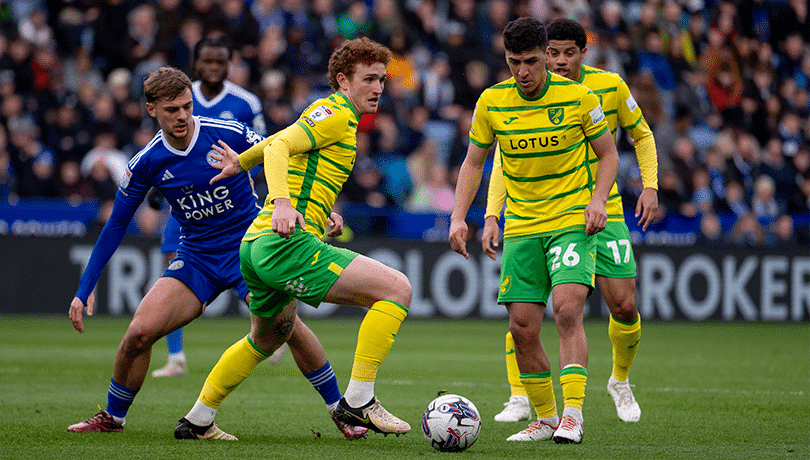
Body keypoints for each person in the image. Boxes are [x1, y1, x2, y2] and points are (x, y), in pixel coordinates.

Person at [66, 66, 367, 440]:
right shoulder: (147, 161)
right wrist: (84, 288)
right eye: (172, 109)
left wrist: (311, 210)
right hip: (197, 258)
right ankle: (113, 416)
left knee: (288, 329)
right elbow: (114, 226)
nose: (182, 116)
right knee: (138, 334)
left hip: (250, 249)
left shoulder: (226, 133)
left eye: (186, 106)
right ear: (151, 110)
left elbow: (284, 154)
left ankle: (341, 411)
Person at [174, 37, 413, 439]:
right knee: (397, 289)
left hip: (256, 245)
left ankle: (197, 419)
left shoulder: (331, 114)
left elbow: (281, 140)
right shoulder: (336, 114)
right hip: (283, 242)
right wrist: (283, 202)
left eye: (382, 80)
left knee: (265, 339)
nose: (377, 88)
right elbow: (283, 145)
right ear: (343, 80)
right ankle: (358, 400)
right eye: (369, 79)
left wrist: (241, 162)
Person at [448, 17, 619, 444]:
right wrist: (459, 216)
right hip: (522, 228)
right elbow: (474, 162)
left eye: (529, 61)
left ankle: (574, 415)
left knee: (566, 309)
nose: (521, 72)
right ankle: (545, 419)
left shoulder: (579, 97)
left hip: (569, 222)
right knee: (522, 327)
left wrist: (598, 200)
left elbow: (609, 154)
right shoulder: (491, 102)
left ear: (546, 55)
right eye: (512, 62)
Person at [485, 18, 658, 425]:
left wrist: (649, 185)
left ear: (584, 53)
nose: (560, 61)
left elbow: (642, 135)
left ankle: (620, 380)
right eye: (553, 53)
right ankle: (519, 397)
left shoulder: (609, 87)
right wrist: (493, 211)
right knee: (528, 310)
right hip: (545, 211)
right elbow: (501, 161)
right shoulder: (515, 96)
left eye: (568, 53)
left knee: (624, 303)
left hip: (603, 207)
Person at [150, 35, 278, 379]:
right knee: (170, 268)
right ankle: (175, 357)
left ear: (229, 63)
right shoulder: (179, 96)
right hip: (187, 207)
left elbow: (265, 147)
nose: (212, 68)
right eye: (207, 61)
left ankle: (272, 334)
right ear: (196, 63)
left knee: (257, 271)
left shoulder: (245, 102)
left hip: (233, 205)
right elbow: (163, 151)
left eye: (220, 62)